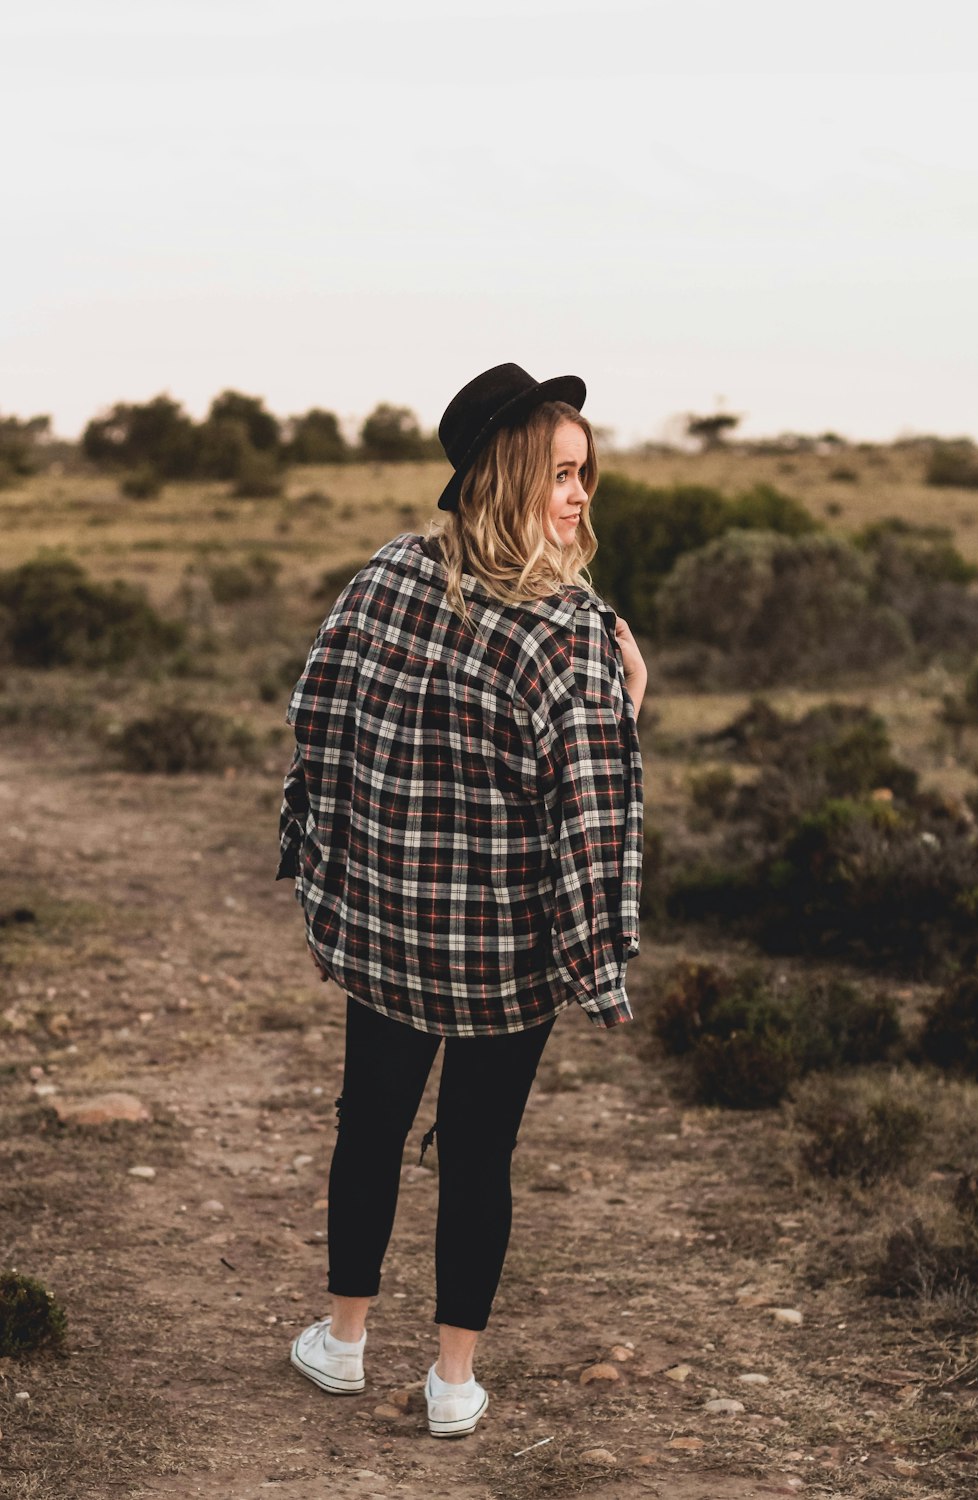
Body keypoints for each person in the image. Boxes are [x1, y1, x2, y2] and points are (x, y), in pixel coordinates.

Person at [277, 362, 646, 1439]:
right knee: (478, 1151)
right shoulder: (572, 634)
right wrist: (628, 705)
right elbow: (589, 812)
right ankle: (451, 1383)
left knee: (370, 1126)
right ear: (509, 475)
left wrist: (328, 845)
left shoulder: (388, 576)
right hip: (505, 952)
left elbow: (318, 714)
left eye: (585, 475)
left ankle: (342, 1344)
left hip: (392, 924)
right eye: (562, 475)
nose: (580, 497)